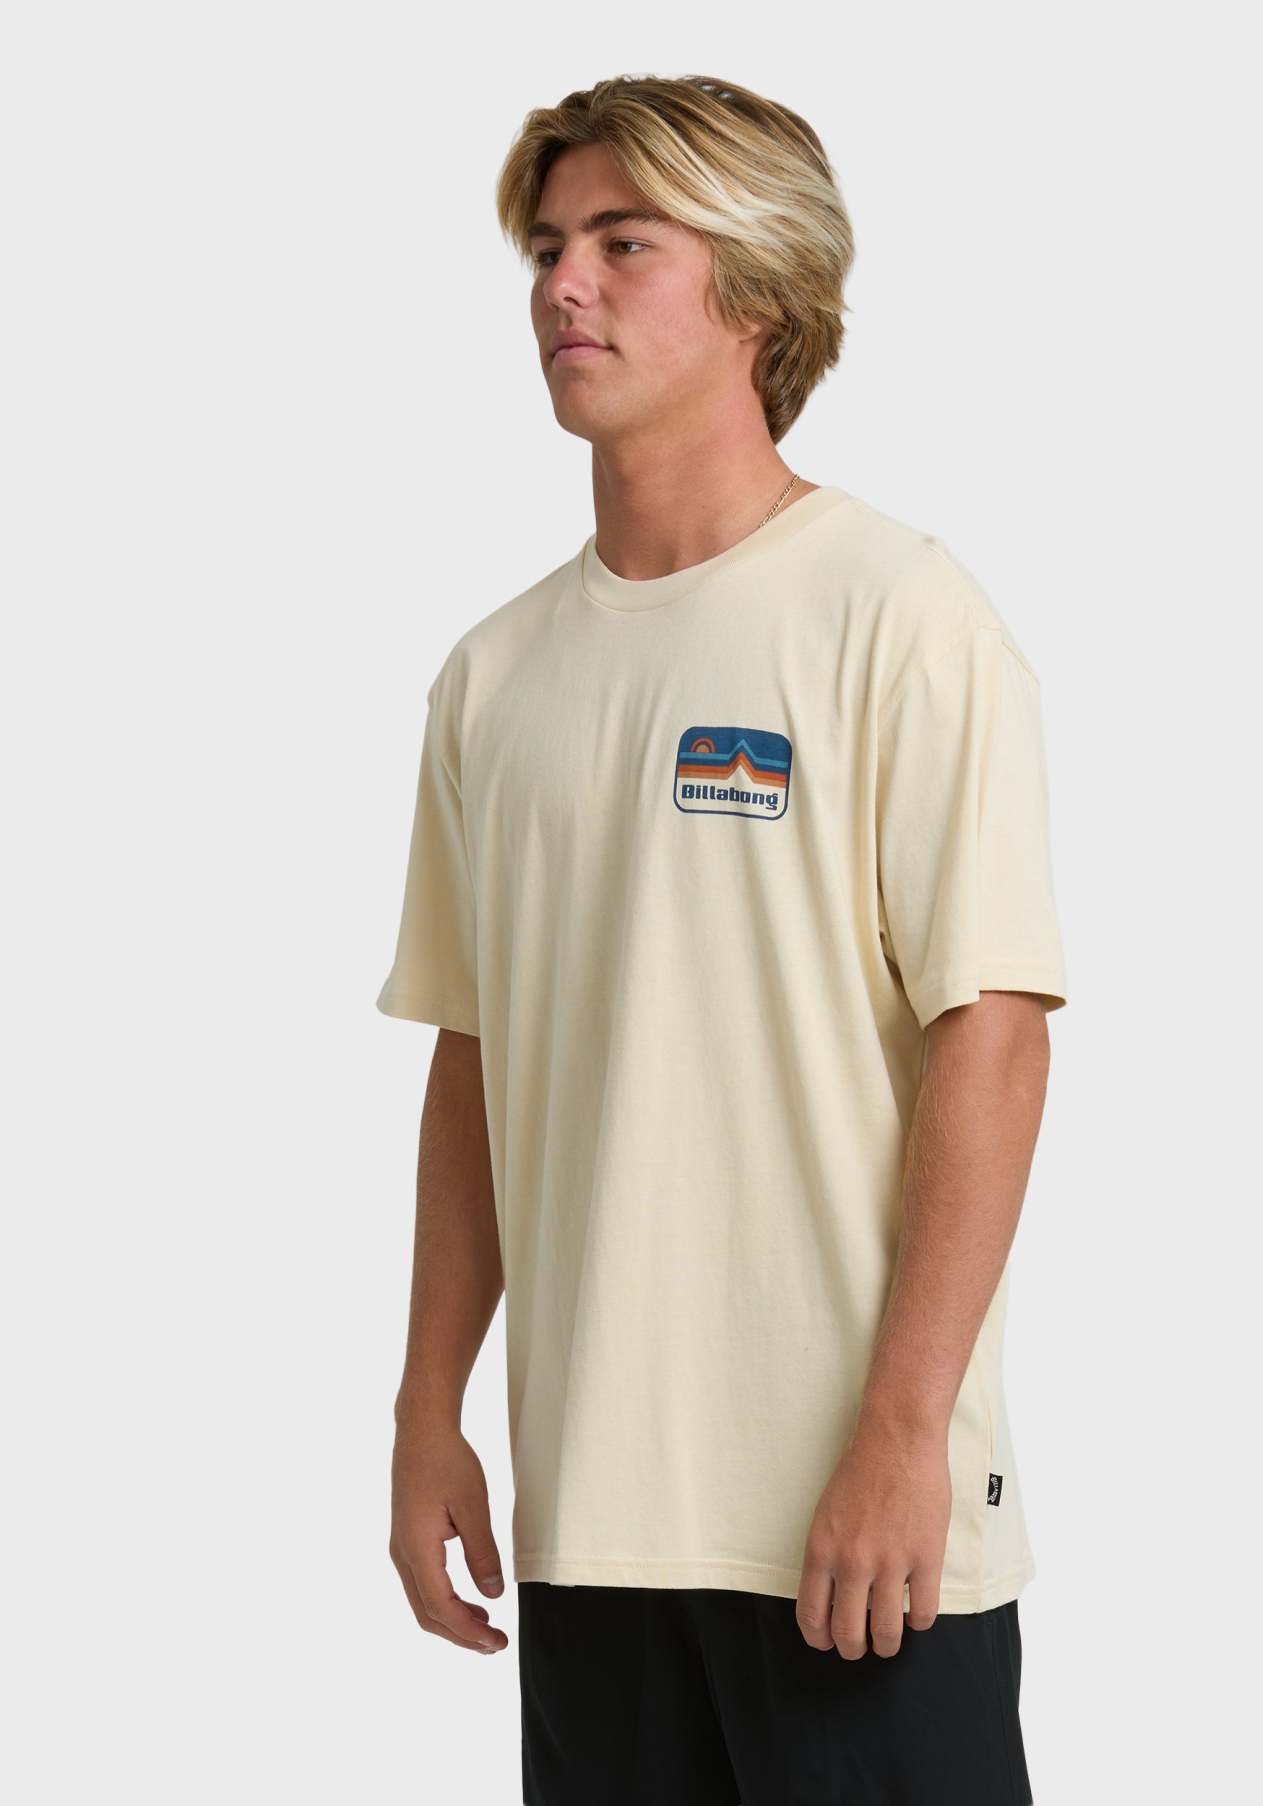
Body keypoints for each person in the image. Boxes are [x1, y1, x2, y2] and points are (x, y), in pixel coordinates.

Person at [377, 73, 1067, 1805]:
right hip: (593, 1520)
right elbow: (475, 1058)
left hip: (854, 1525)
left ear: (758, 287)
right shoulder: (492, 677)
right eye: (548, 246)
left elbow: (993, 1032)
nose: (562, 284)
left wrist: (903, 1428)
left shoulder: (896, 614)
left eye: (624, 243)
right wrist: (425, 1404)